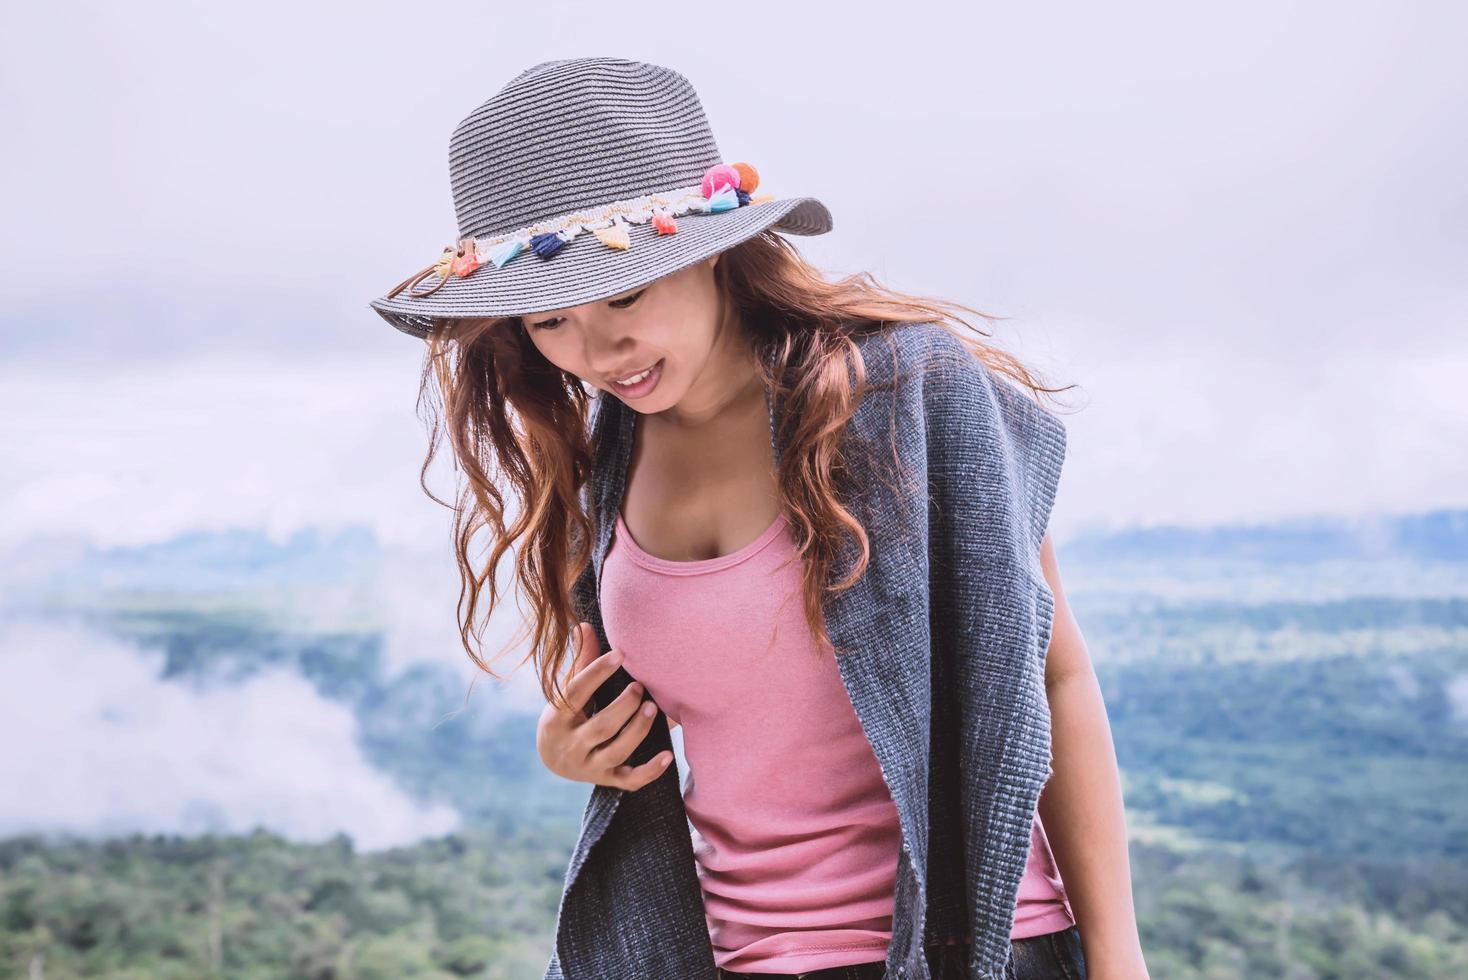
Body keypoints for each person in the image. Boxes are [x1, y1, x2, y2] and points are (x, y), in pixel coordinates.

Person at [369, 57, 1147, 980]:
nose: (598, 351)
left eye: (625, 295)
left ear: (711, 254)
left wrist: (1117, 959)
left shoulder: (908, 394)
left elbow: (1053, 676)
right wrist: (572, 747)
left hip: (966, 949)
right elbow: (683, 709)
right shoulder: (605, 466)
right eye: (549, 321)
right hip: (725, 956)